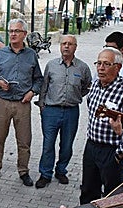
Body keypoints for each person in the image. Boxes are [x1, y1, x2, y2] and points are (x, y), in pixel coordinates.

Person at [0, 18, 44, 187]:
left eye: (17, 31)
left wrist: (32, 93)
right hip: (2, 102)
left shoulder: (31, 54)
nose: (13, 34)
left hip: (23, 103)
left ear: (24, 34)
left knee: (24, 141)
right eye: (11, 31)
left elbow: (39, 79)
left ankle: (23, 171)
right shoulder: (0, 54)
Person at [80, 47, 123, 204]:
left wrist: (120, 153)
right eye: (98, 63)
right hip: (92, 147)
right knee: (87, 190)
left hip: (112, 151)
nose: (101, 68)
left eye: (106, 64)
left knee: (111, 195)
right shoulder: (94, 86)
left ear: (118, 67)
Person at [35, 35, 92, 188]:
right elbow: (44, 87)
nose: (66, 46)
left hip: (71, 112)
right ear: (60, 46)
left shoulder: (83, 67)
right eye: (64, 43)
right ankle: (45, 173)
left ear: (75, 47)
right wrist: (42, 106)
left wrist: (76, 96)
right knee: (48, 144)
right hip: (51, 111)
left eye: (70, 44)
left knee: (67, 145)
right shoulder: (51, 65)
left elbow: (87, 86)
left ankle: (61, 170)